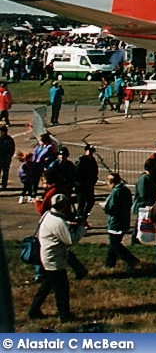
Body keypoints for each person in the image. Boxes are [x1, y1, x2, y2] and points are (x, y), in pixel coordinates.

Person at [28, 194, 86, 323]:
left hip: (47, 256)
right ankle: (65, 316)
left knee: (47, 285)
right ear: (64, 205)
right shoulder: (58, 222)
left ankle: (34, 310)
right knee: (62, 289)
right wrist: (81, 228)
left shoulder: (48, 215)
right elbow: (70, 239)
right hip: (54, 259)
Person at [102, 173, 140, 270]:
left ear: (111, 182)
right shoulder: (126, 190)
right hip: (124, 220)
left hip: (115, 222)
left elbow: (110, 208)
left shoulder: (115, 193)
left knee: (115, 244)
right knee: (114, 243)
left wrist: (104, 206)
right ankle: (109, 263)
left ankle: (131, 259)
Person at [132, 160, 156, 245]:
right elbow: (143, 193)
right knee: (139, 223)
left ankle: (136, 239)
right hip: (142, 204)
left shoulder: (151, 177)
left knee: (140, 222)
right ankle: (134, 239)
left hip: (147, 204)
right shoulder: (143, 179)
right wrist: (150, 203)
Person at [74, 145, 100, 223]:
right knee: (81, 204)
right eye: (90, 151)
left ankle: (84, 217)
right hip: (81, 186)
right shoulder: (81, 161)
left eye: (92, 151)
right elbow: (76, 173)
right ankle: (79, 220)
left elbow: (95, 172)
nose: (91, 153)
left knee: (91, 201)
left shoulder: (92, 160)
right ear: (85, 151)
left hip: (89, 185)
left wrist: (94, 180)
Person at [0, 124, 14, 190]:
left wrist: (9, 157)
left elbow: (11, 149)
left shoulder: (9, 140)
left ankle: (4, 184)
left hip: (5, 158)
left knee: (5, 172)